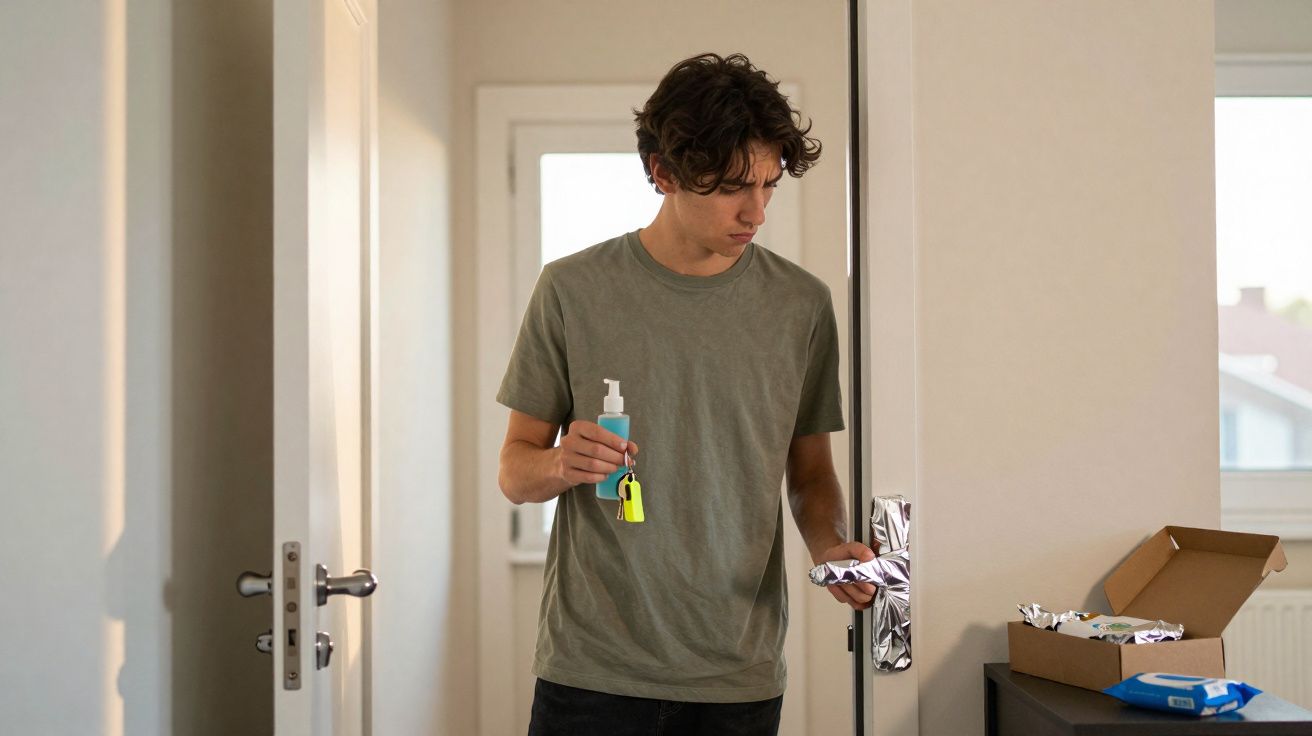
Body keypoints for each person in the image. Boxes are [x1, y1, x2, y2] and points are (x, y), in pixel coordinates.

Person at [497, 52, 876, 736]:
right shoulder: (571, 291)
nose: (756, 211)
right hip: (592, 674)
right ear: (663, 173)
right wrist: (559, 464)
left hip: (738, 674)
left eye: (768, 184)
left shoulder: (802, 306)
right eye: (734, 187)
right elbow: (514, 473)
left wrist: (829, 545)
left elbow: (811, 472)